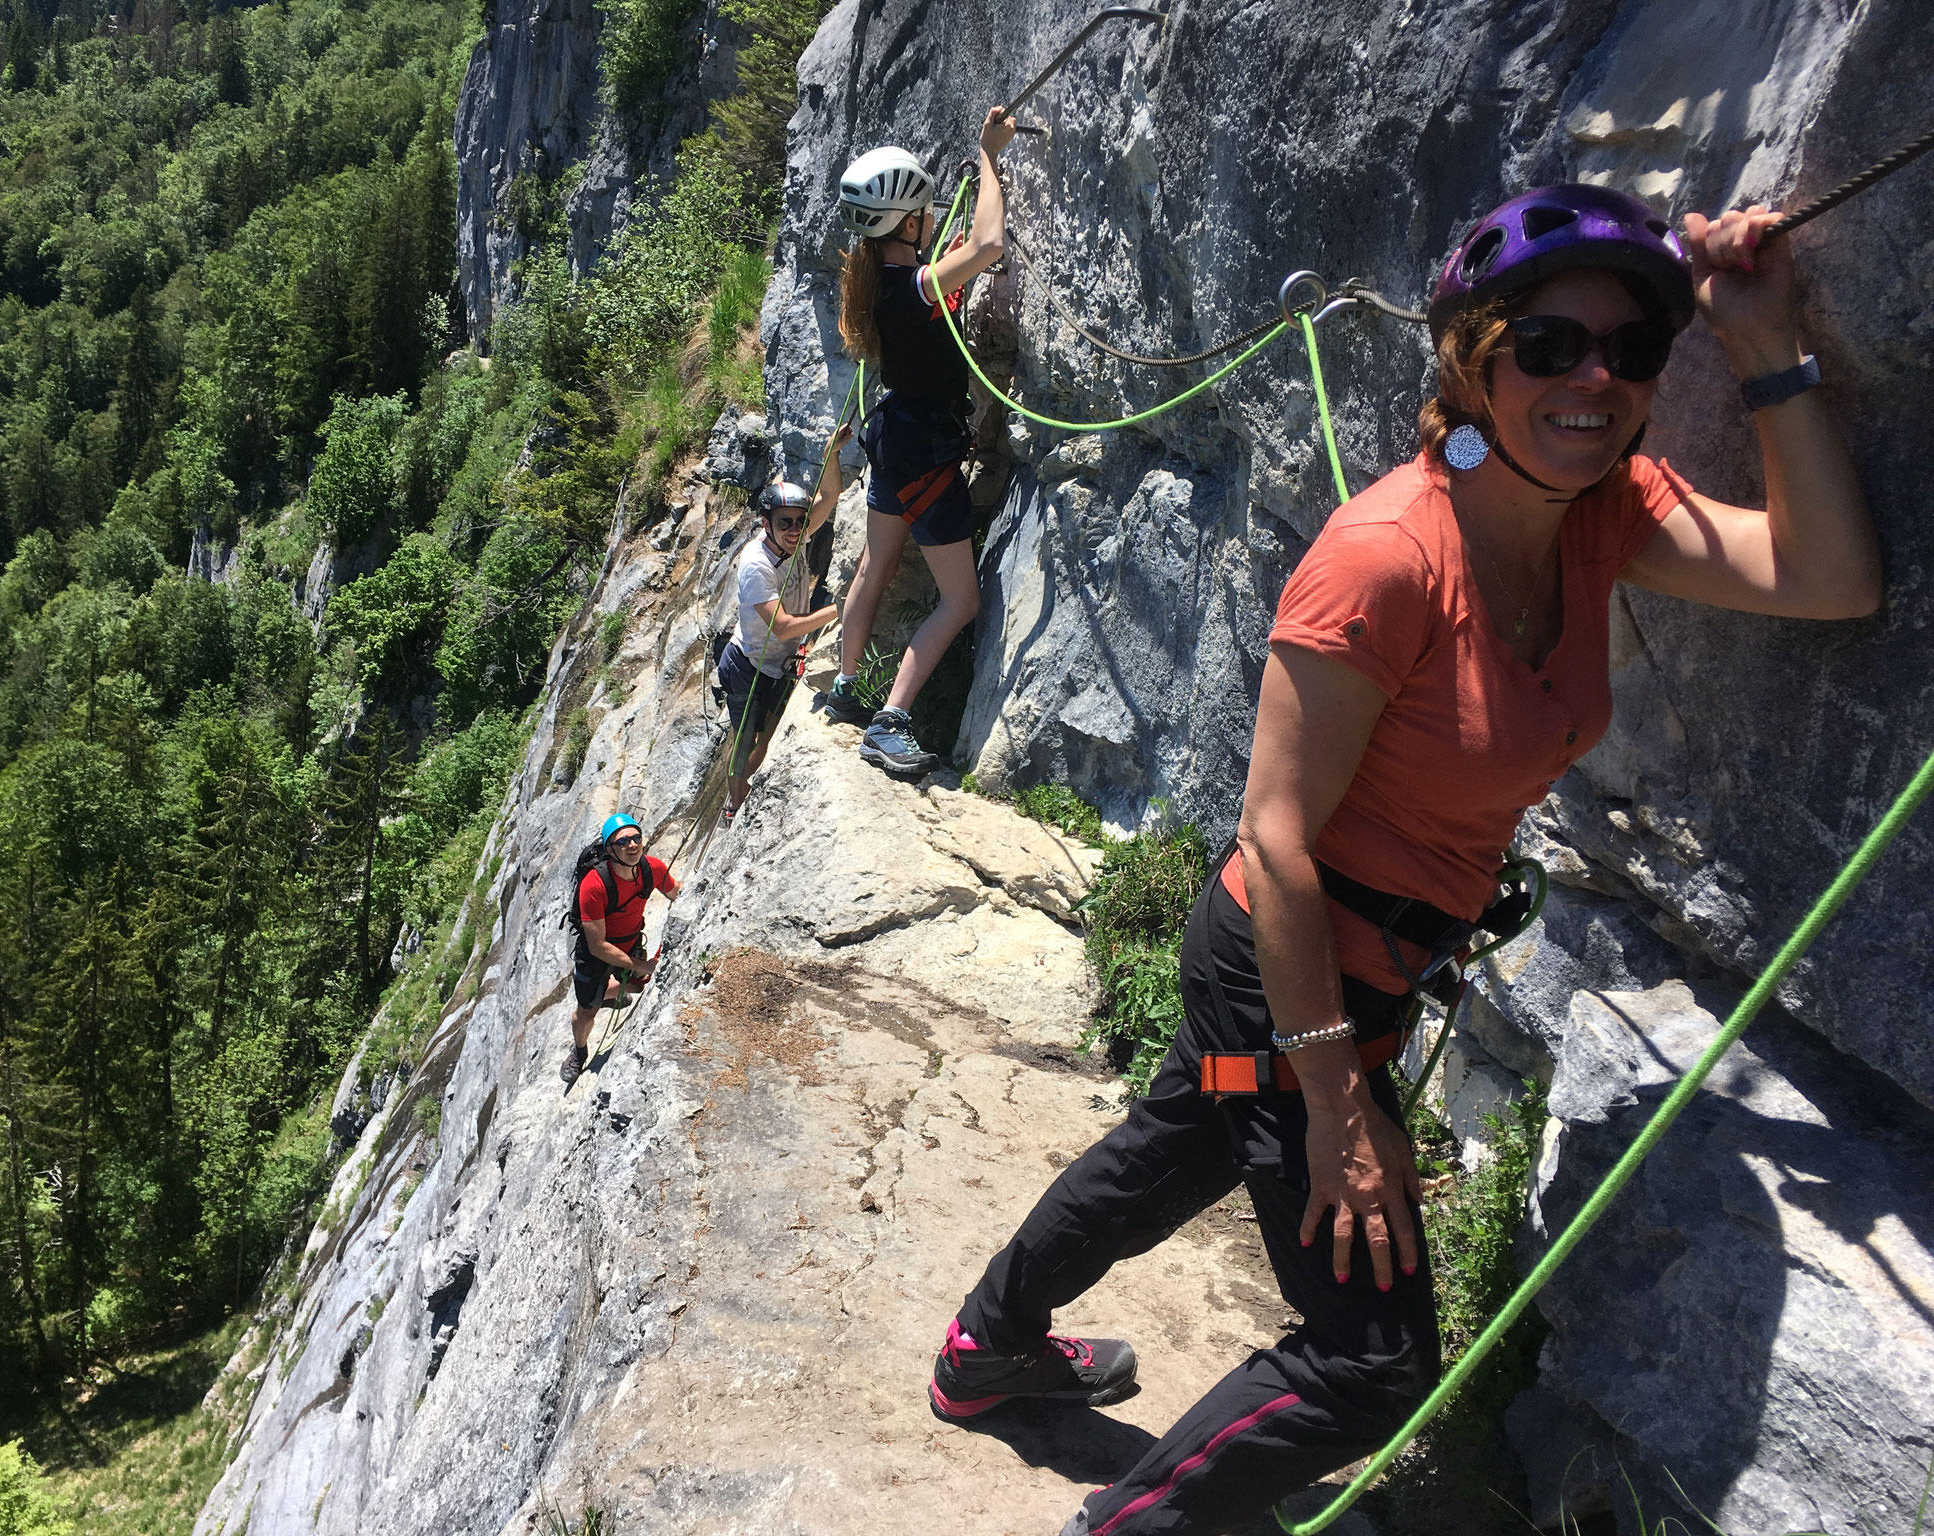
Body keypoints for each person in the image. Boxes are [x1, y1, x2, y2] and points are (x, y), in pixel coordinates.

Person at [928, 185, 1881, 1536]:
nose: (1594, 379)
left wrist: (1762, 341)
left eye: (1631, 351)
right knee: (1370, 1368)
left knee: (1182, 1143)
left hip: (1340, 967)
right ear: (1475, 358)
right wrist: (1337, 1111)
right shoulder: (1385, 556)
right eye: (1551, 346)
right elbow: (1280, 837)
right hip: (1291, 960)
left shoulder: (1608, 512)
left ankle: (985, 1350)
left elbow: (1828, 577)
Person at [820, 106, 1017, 778]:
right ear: (908, 223)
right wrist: (990, 157)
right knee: (960, 601)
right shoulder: (916, 285)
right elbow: (989, 247)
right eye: (924, 212)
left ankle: (846, 691)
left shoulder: (882, 285)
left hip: (893, 438)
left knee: (875, 568)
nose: (931, 217)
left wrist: (945, 259)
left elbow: (942, 284)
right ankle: (891, 720)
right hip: (926, 452)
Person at [719, 424, 853, 821]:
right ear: (767, 524)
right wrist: (840, 611)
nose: (796, 529)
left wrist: (831, 453)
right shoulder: (756, 565)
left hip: (776, 662)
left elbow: (830, 495)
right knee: (744, 741)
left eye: (800, 521)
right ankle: (736, 804)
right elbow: (783, 626)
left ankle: (745, 791)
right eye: (785, 522)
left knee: (768, 734)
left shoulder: (794, 538)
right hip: (748, 664)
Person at [559, 814, 680, 1088]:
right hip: (595, 956)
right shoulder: (594, 884)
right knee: (586, 1012)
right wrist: (643, 965)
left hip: (630, 941)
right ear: (610, 849)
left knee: (636, 988)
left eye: (636, 837)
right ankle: (579, 1050)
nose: (633, 845)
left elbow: (677, 893)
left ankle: (609, 992)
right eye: (623, 841)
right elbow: (597, 945)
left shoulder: (652, 868)